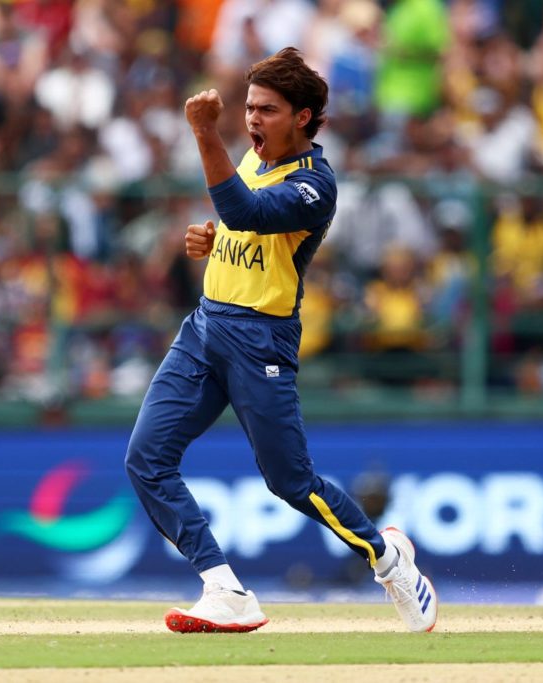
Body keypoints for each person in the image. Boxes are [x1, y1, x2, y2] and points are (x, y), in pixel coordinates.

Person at [124, 47, 437, 634]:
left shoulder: (317, 184)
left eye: (266, 110)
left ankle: (390, 561)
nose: (251, 120)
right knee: (146, 458)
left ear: (303, 116)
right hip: (206, 324)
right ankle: (224, 587)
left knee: (290, 482)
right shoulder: (252, 156)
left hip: (259, 341)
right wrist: (212, 240)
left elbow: (248, 213)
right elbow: (241, 223)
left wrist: (203, 132)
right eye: (247, 109)